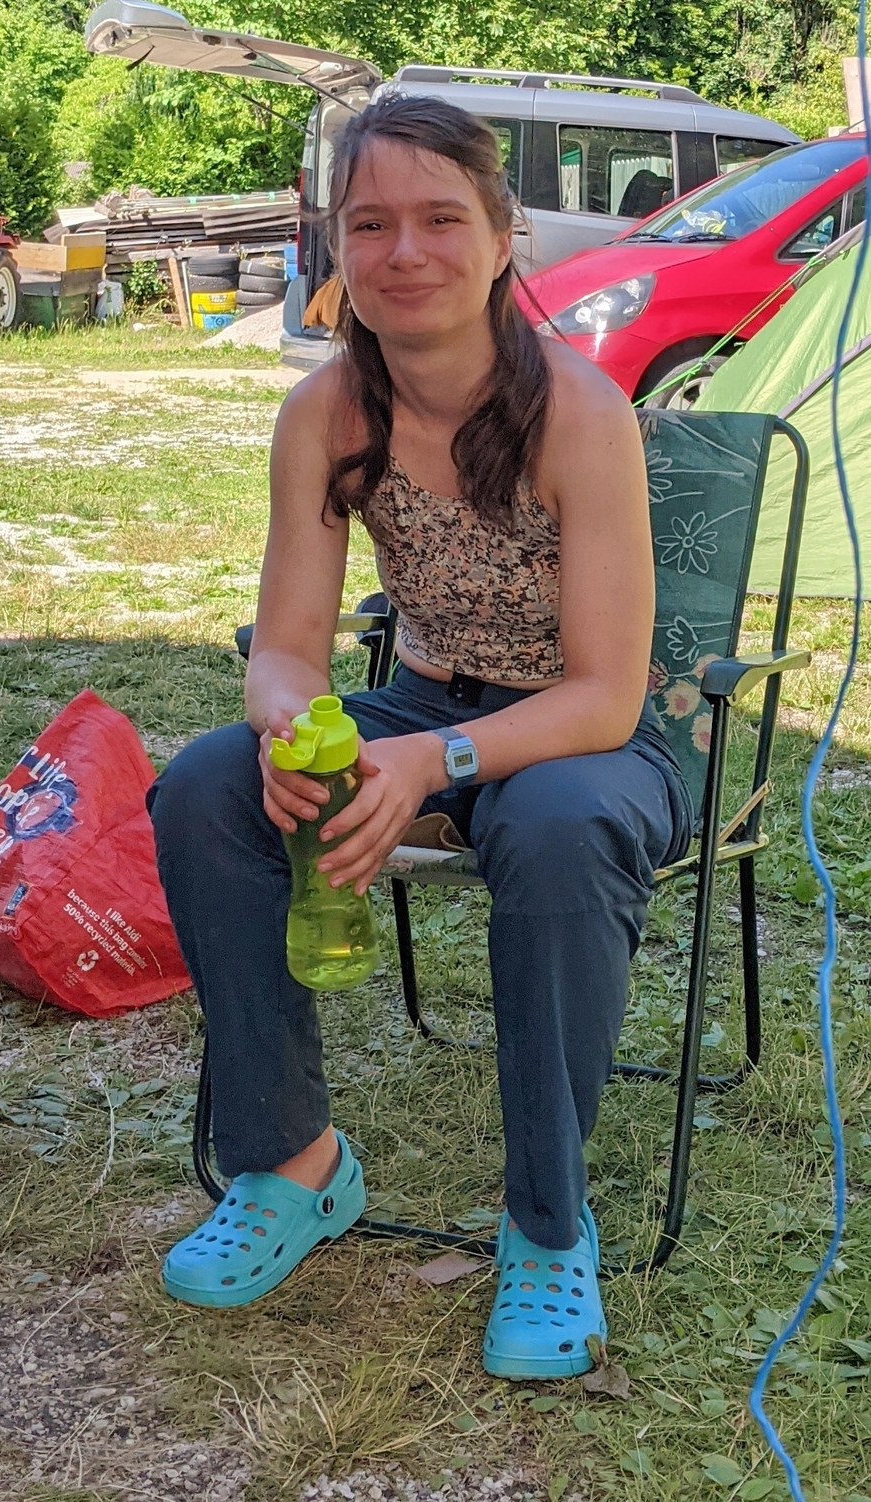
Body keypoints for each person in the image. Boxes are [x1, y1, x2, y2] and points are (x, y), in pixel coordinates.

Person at [147, 93, 693, 1381]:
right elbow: (287, 646)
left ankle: (547, 1227)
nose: (405, 251)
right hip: (425, 702)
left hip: (591, 741)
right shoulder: (328, 414)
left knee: (557, 826)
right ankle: (292, 1167)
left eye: (442, 219)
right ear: (336, 246)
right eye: (371, 222)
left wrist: (425, 763)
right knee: (209, 785)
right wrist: (292, 724)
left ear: (503, 240)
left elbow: (606, 697)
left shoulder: (580, 413)